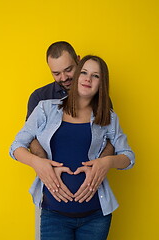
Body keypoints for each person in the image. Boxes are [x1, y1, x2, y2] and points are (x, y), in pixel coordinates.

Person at [10, 55, 135, 240]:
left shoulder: (108, 117)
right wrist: (38, 163)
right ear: (77, 76)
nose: (87, 79)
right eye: (84, 72)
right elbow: (16, 146)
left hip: (96, 216)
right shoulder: (45, 109)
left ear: (102, 84)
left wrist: (107, 162)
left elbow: (128, 157)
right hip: (54, 214)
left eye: (95, 76)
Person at [26, 41, 114, 202]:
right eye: (56, 73)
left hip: (92, 195)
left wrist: (99, 166)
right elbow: (29, 138)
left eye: (68, 70)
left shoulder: (100, 97)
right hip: (50, 194)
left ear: (79, 61)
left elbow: (110, 138)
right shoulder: (40, 98)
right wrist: (44, 165)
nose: (64, 78)